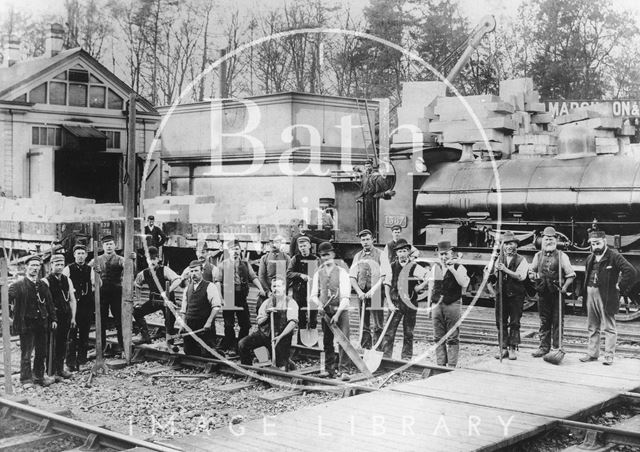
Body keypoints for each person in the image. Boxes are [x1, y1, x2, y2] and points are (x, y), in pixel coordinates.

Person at [578, 230, 636, 365]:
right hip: (590, 293)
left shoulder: (614, 256)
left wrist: (620, 287)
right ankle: (592, 354)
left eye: (597, 243)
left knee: (609, 327)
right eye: (592, 244)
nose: (595, 247)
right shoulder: (590, 258)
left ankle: (609, 356)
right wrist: (583, 294)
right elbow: (586, 277)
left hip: (606, 295)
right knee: (592, 326)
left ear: (604, 242)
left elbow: (631, 271)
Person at [9, 255, 57, 387]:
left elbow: (50, 303)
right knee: (26, 353)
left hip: (42, 323)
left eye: (37, 265)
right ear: (26, 267)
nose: (35, 268)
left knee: (41, 352)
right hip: (26, 325)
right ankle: (26, 379)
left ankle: (39, 377)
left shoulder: (42, 284)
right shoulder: (18, 285)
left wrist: (53, 318)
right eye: (33, 265)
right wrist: (10, 319)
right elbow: (4, 300)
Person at [529, 227, 576, 358]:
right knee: (544, 321)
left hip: (557, 294)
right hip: (543, 293)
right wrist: (532, 276)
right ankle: (543, 347)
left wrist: (564, 288)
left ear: (555, 240)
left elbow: (571, 275)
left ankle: (557, 348)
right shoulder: (537, 256)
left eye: (551, 239)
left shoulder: (562, 256)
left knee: (557, 321)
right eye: (546, 239)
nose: (548, 241)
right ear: (542, 240)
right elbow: (531, 271)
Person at [309, 242, 353, 380]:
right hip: (326, 312)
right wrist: (319, 306)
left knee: (343, 340)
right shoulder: (318, 273)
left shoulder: (342, 272)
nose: (326, 257)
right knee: (327, 341)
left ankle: (344, 370)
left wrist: (338, 314)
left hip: (341, 310)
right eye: (323, 255)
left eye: (328, 254)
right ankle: (329, 369)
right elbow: (313, 295)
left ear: (333, 254)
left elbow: (346, 296)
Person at [215, 239, 266, 354]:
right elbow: (217, 281)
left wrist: (261, 289)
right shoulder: (222, 265)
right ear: (229, 251)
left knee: (245, 324)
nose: (235, 252)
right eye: (233, 249)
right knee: (229, 324)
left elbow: (253, 277)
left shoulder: (245, 264)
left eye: (237, 249)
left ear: (240, 250)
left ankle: (240, 345)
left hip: (241, 296)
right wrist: (221, 298)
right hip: (228, 296)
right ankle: (230, 344)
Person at [381, 239, 428, 360]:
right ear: (396, 253)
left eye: (404, 251)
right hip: (395, 304)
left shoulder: (415, 267)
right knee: (389, 332)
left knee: (409, 333)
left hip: (411, 304)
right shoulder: (391, 267)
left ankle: (406, 357)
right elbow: (387, 285)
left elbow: (427, 276)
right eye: (399, 251)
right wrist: (390, 303)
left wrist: (423, 284)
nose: (402, 253)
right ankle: (386, 357)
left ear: (408, 252)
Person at [238, 277, 299, 369]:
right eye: (274, 286)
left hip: (281, 337)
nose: (276, 289)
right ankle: (248, 370)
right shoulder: (267, 302)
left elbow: (293, 323)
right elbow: (259, 321)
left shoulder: (291, 303)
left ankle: (287, 362)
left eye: (278, 286)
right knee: (242, 344)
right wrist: (266, 314)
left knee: (281, 367)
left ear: (283, 287)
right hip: (264, 335)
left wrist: (280, 336)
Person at [487, 231, 528, 360]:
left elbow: (520, 276)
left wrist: (505, 269)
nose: (509, 246)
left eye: (511, 243)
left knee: (515, 322)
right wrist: (492, 264)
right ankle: (503, 348)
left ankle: (512, 348)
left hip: (516, 296)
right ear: (503, 246)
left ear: (516, 245)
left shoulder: (522, 260)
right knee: (501, 322)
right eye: (506, 244)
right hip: (501, 295)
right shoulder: (498, 259)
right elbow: (490, 274)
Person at [428, 240, 470, 368]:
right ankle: (440, 364)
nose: (444, 257)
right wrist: (430, 306)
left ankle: (451, 365)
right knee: (437, 336)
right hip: (436, 305)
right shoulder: (435, 267)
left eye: (446, 254)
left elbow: (464, 283)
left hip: (452, 304)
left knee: (452, 336)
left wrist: (452, 269)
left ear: (451, 253)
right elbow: (431, 286)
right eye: (441, 254)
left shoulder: (459, 267)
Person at [133, 246, 182, 345]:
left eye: (153, 259)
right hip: (154, 301)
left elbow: (178, 279)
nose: (151, 262)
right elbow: (137, 284)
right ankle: (145, 337)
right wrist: (138, 300)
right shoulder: (144, 273)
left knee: (169, 322)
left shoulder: (165, 270)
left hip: (167, 302)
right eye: (149, 259)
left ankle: (169, 343)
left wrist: (168, 291)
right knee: (137, 312)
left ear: (158, 259)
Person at [350, 229, 386, 349]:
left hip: (375, 293)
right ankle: (365, 348)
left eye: (367, 239)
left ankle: (377, 348)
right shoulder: (357, 256)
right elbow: (352, 276)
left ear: (372, 240)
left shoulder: (380, 254)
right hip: (362, 293)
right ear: (360, 242)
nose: (365, 242)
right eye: (363, 240)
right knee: (364, 323)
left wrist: (373, 290)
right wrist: (359, 292)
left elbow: (384, 276)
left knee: (377, 323)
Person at [178, 260, 222, 357]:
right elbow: (184, 310)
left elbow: (216, 307)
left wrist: (209, 322)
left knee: (208, 354)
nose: (193, 274)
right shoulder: (187, 289)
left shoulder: (210, 286)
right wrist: (182, 325)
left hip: (204, 325)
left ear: (202, 271)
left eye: (196, 271)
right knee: (189, 352)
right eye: (192, 271)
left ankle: (216, 352)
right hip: (190, 324)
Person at [90, 235, 125, 355]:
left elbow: (129, 268)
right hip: (102, 293)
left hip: (116, 293)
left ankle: (123, 346)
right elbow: (87, 271)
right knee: (101, 321)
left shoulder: (120, 259)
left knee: (119, 320)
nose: (109, 246)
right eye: (106, 244)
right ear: (103, 246)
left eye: (111, 244)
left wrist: (132, 261)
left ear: (115, 245)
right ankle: (101, 347)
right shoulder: (97, 259)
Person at [45, 254, 76, 380]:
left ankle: (60, 370)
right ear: (51, 265)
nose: (59, 267)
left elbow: (72, 300)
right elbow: (46, 303)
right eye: (56, 264)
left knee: (63, 343)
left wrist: (73, 317)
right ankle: (50, 372)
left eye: (61, 265)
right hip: (53, 318)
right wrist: (52, 319)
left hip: (65, 316)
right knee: (51, 344)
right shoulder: (46, 281)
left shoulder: (67, 280)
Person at [63, 244, 94, 370]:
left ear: (86, 255)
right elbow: (63, 285)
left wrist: (97, 275)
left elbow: (97, 284)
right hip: (72, 306)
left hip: (86, 306)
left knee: (84, 334)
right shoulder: (68, 269)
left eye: (82, 253)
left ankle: (82, 361)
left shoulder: (90, 269)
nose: (80, 256)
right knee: (71, 335)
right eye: (78, 253)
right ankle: (70, 363)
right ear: (74, 255)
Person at [286, 236, 319, 344]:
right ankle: (301, 341)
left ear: (309, 246)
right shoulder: (295, 258)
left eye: (305, 245)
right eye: (301, 246)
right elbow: (288, 273)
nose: (303, 248)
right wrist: (300, 275)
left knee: (313, 316)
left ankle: (313, 343)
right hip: (299, 292)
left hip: (312, 292)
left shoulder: (316, 259)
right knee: (300, 315)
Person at [357, 159, 393, 234]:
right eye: (366, 166)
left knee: (372, 216)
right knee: (366, 216)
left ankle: (372, 232)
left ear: (372, 166)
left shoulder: (376, 176)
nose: (367, 168)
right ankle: (367, 231)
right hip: (365, 197)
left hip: (372, 197)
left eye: (369, 166)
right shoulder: (364, 175)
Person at [257, 234, 290, 313]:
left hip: (282, 290)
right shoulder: (264, 258)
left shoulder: (286, 258)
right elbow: (261, 276)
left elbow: (289, 275)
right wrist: (268, 291)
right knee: (261, 308)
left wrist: (283, 290)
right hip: (268, 290)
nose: (274, 244)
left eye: (276, 242)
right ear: (269, 244)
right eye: (271, 242)